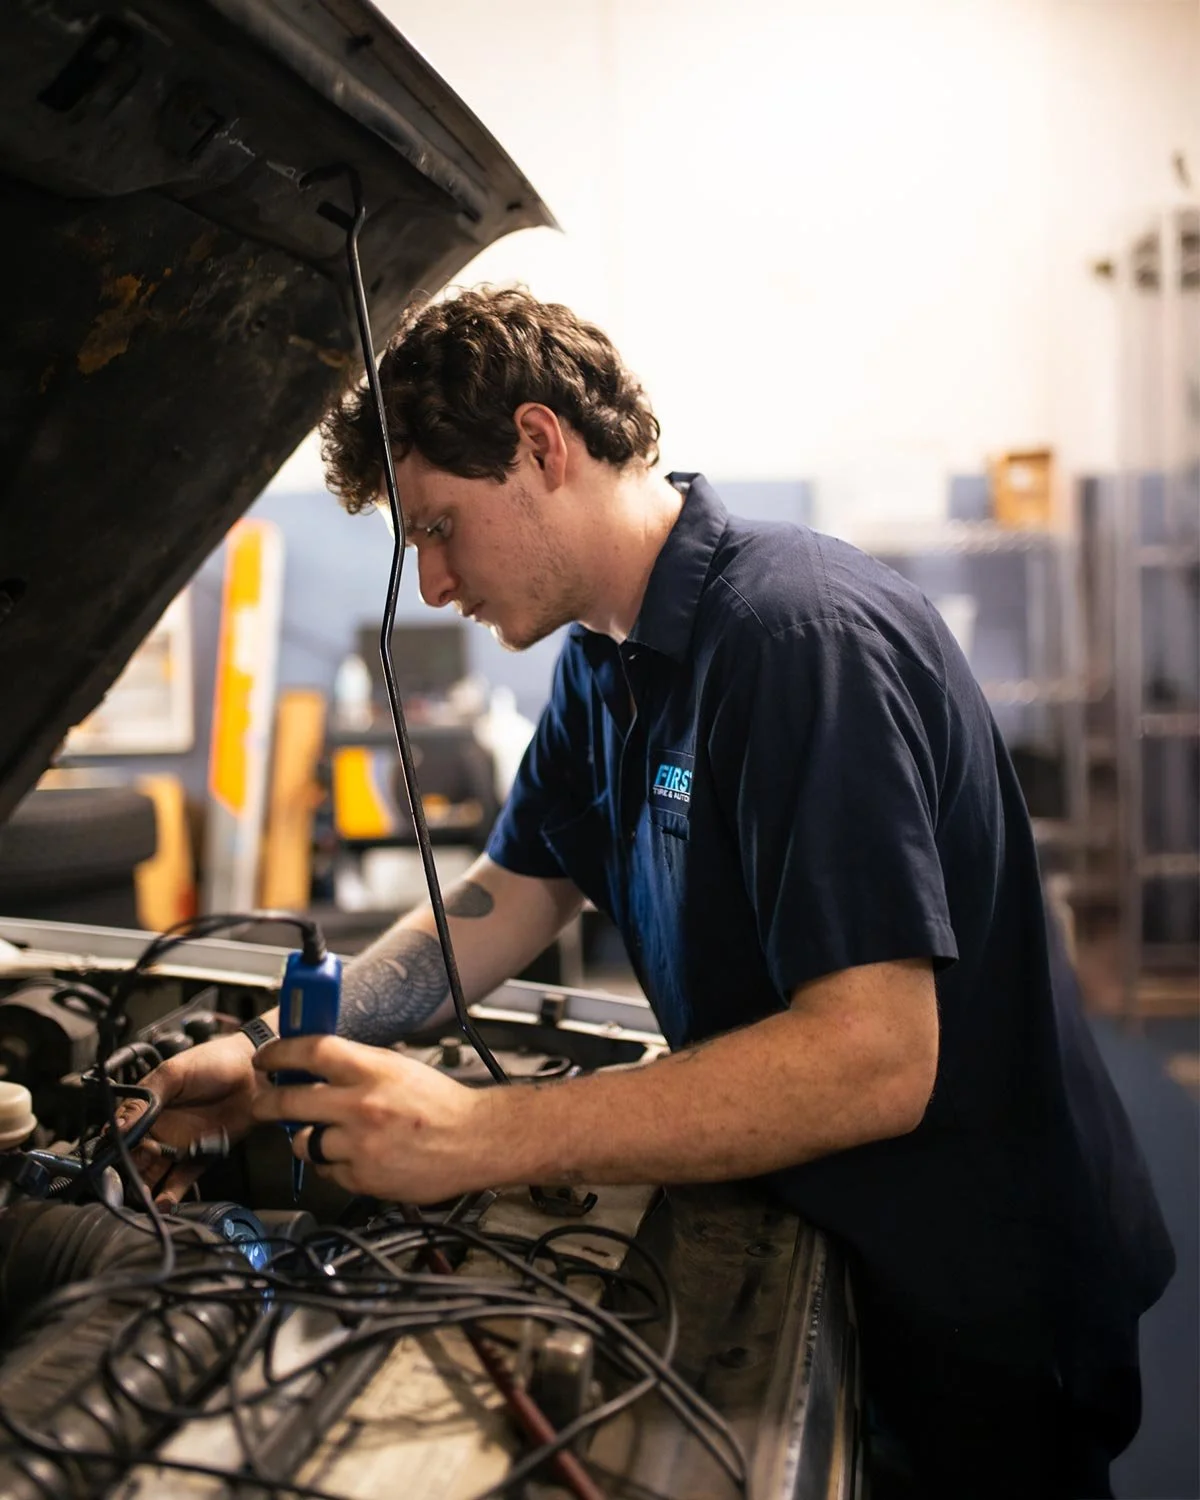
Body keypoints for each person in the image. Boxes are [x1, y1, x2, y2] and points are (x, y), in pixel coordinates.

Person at [133, 286, 1174, 1498]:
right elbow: (508, 898)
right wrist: (269, 1054)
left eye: (440, 528)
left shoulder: (795, 643)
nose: (431, 584)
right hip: (830, 1236)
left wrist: (478, 1132)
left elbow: (877, 1058)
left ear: (540, 445)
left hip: (971, 1287)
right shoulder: (603, 659)